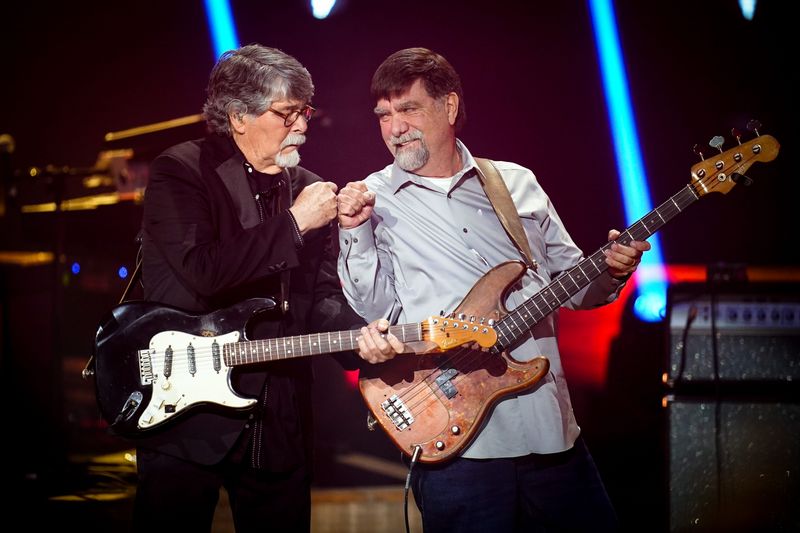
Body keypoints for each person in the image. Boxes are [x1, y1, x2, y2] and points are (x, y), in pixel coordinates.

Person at [336, 47, 651, 532]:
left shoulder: (516, 183)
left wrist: (612, 271)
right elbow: (372, 308)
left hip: (549, 429)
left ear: (450, 107)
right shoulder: (371, 199)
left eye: (408, 109)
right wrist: (354, 231)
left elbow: (575, 289)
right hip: (455, 440)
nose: (394, 128)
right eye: (384, 115)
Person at [136, 44, 400, 533]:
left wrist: (363, 339)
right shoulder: (183, 170)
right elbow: (203, 271)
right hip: (184, 406)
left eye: (305, 111)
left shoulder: (310, 186)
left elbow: (320, 298)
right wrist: (295, 224)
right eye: (287, 113)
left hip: (278, 414)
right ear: (238, 116)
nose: (301, 125)